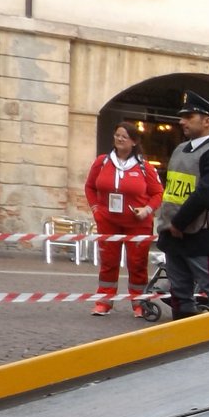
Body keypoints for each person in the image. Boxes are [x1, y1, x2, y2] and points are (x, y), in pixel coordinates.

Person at [155, 92, 209, 319]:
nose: (182, 121)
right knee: (179, 294)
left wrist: (179, 222)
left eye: (189, 116)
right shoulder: (180, 149)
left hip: (202, 236)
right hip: (174, 235)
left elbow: (206, 193)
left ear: (207, 121)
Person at [84, 122, 163, 317]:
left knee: (137, 264)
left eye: (124, 136)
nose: (119, 139)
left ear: (134, 142)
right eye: (117, 135)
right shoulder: (102, 162)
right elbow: (90, 187)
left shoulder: (145, 167)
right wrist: (96, 208)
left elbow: (158, 193)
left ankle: (139, 303)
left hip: (138, 223)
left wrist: (147, 210)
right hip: (108, 220)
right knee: (108, 262)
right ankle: (104, 300)